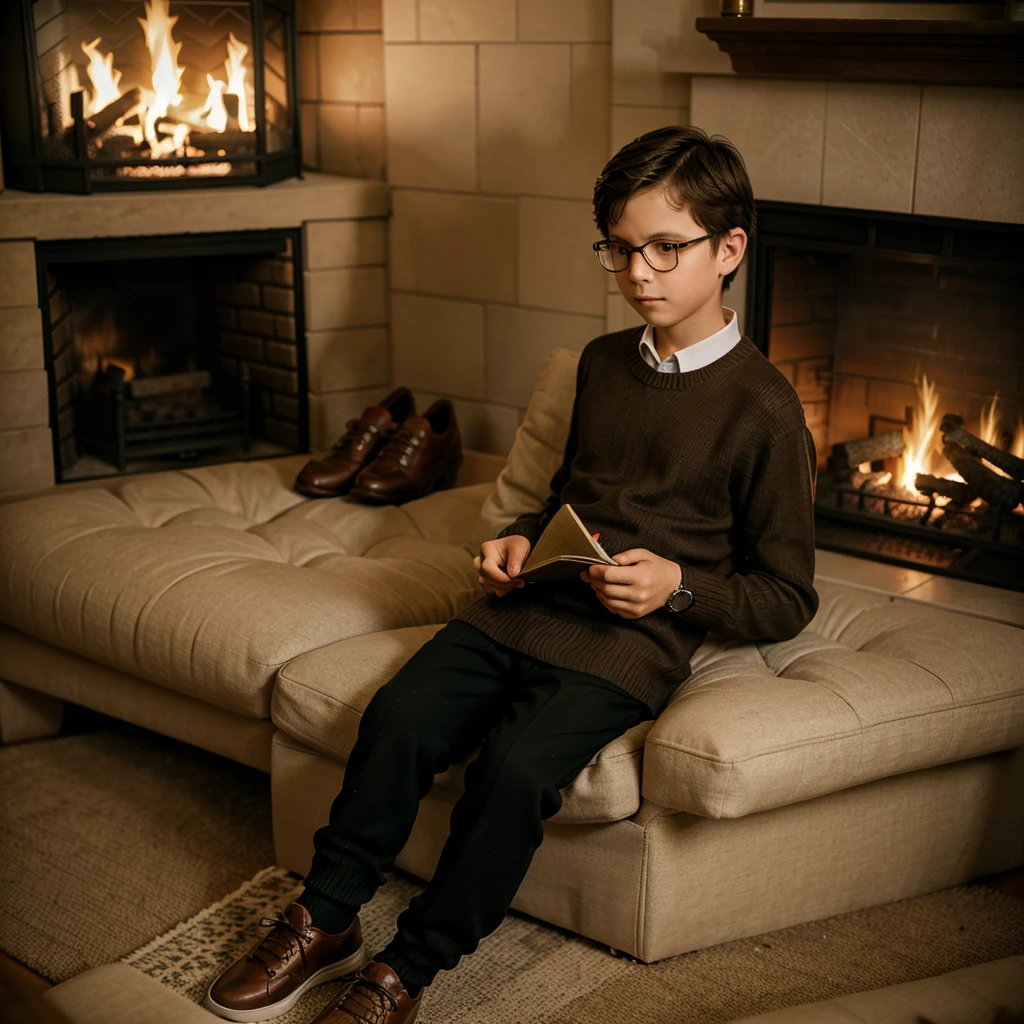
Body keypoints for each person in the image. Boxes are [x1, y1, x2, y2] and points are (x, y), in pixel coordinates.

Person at [203, 125, 819, 1024]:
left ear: (729, 249)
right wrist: (519, 541)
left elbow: (789, 595)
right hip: (525, 607)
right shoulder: (604, 365)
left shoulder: (767, 409)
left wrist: (679, 587)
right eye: (618, 247)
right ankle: (327, 915)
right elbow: (571, 495)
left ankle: (406, 970)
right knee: (401, 717)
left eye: (663, 247)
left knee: (515, 771)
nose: (637, 271)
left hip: (629, 646)